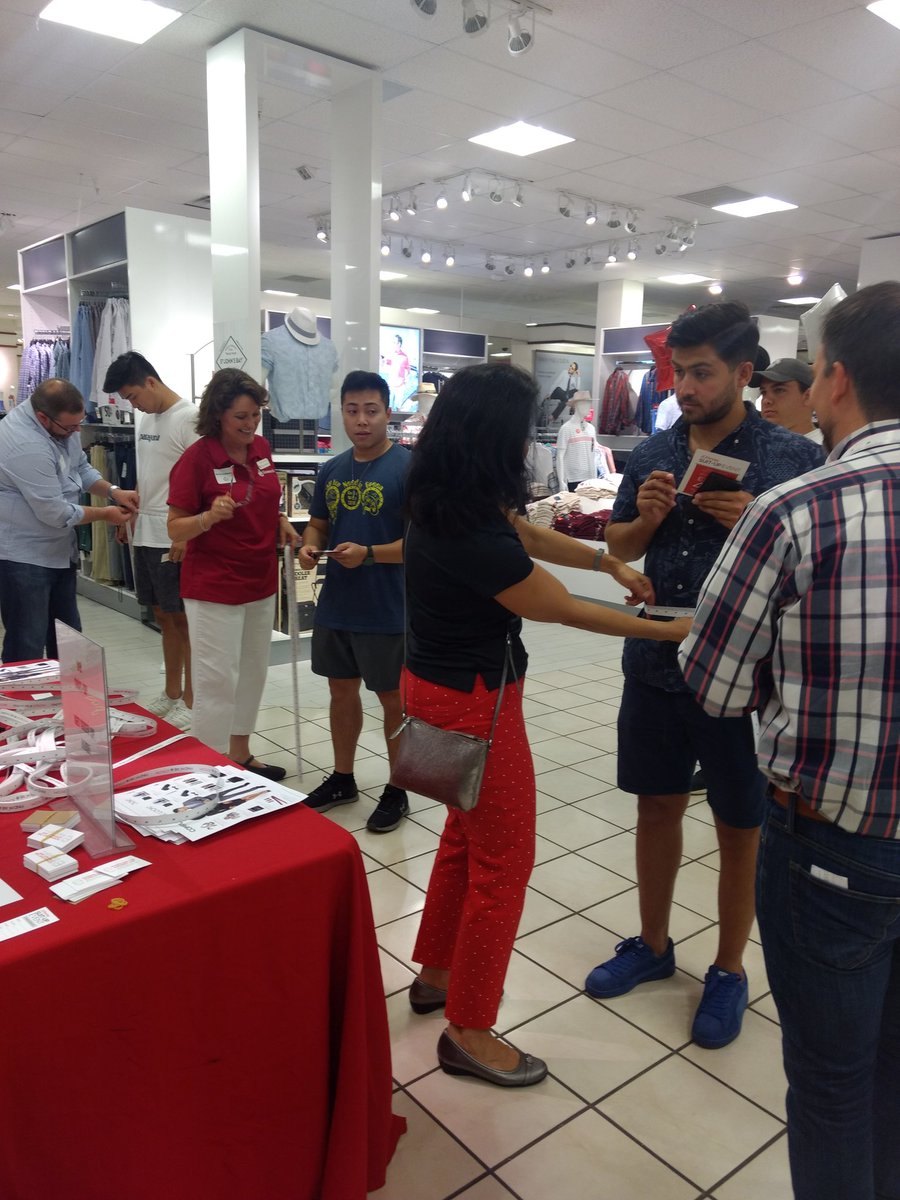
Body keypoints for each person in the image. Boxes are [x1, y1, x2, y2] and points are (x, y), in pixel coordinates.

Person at [403, 362, 692, 1089]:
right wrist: (664, 628)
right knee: (506, 860)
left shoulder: (442, 497)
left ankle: (436, 971)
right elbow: (553, 603)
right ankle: (469, 1028)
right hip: (475, 700)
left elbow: (526, 537)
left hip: (431, 688)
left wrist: (608, 560)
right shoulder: (469, 527)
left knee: (464, 841)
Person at [679, 281, 900, 1200]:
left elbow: (715, 684)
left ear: (835, 380)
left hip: (831, 851)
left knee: (835, 1086)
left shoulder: (799, 507)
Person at [584, 301, 824, 1050]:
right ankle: (653, 946)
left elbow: (813, 559)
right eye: (677, 372)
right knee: (655, 806)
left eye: (701, 372)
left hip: (747, 671)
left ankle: (728, 968)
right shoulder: (654, 451)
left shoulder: (793, 459)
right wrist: (644, 522)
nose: (684, 386)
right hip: (655, 657)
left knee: (739, 822)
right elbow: (618, 543)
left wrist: (755, 517)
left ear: (744, 374)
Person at [167, 368, 299, 780]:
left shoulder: (260, 448)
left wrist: (280, 520)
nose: (250, 424)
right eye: (240, 416)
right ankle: (206, 772)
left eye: (255, 414)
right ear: (218, 415)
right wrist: (208, 517)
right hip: (214, 587)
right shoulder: (197, 459)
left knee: (253, 672)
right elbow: (175, 528)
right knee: (216, 681)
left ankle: (239, 755)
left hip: (259, 580)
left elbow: (266, 496)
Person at [298, 371, 410, 832]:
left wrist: (369, 556)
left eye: (371, 410)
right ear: (341, 412)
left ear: (387, 413)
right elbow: (319, 524)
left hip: (389, 606)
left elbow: (421, 544)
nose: (361, 420)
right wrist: (308, 546)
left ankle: (398, 787)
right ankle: (343, 777)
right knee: (340, 691)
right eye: (351, 410)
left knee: (392, 699)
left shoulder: (409, 468)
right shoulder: (332, 468)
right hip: (337, 603)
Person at [0, 378, 137, 663]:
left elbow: (81, 468)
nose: (76, 432)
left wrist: (114, 491)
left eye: (79, 424)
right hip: (24, 557)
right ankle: (20, 707)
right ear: (42, 418)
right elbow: (55, 513)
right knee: (26, 645)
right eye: (70, 427)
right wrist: (105, 514)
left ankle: (66, 702)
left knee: (68, 638)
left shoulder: (60, 424)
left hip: (59, 551)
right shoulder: (24, 444)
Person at [103, 352, 200, 731]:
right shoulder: (146, 419)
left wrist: (189, 535)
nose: (133, 404)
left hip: (172, 532)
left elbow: (201, 483)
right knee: (161, 614)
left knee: (183, 618)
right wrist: (131, 516)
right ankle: (171, 691)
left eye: (132, 396)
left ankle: (193, 699)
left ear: (150, 382)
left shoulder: (188, 419)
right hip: (146, 528)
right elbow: (148, 473)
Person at [754, 356, 823, 442]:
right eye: (763, 392)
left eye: (779, 390)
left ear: (808, 397)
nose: (766, 401)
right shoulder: (758, 446)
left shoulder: (827, 451)